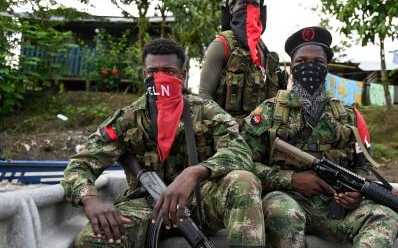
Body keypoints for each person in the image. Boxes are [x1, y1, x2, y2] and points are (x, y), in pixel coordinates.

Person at [62, 38, 265, 248]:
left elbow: (240, 152)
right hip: (144, 205)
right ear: (144, 75)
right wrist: (91, 200)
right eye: (152, 71)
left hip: (197, 200)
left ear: (182, 75)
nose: (159, 77)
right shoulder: (128, 118)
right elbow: (80, 165)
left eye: (168, 71)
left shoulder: (206, 111)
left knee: (243, 180)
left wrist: (195, 172)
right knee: (92, 240)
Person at [241, 27, 398, 248]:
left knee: (385, 216)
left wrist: (355, 193)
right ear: (292, 66)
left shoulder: (347, 115)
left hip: (334, 206)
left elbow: (364, 167)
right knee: (283, 213)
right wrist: (291, 180)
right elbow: (244, 165)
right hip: (285, 199)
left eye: (317, 62)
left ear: (326, 68)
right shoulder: (268, 112)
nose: (310, 67)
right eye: (301, 61)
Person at [198, 0, 287, 122]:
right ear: (232, 8)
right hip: (228, 136)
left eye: (255, 5)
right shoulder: (222, 45)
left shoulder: (265, 51)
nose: (250, 9)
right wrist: (229, 125)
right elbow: (204, 96)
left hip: (260, 134)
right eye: (244, 4)